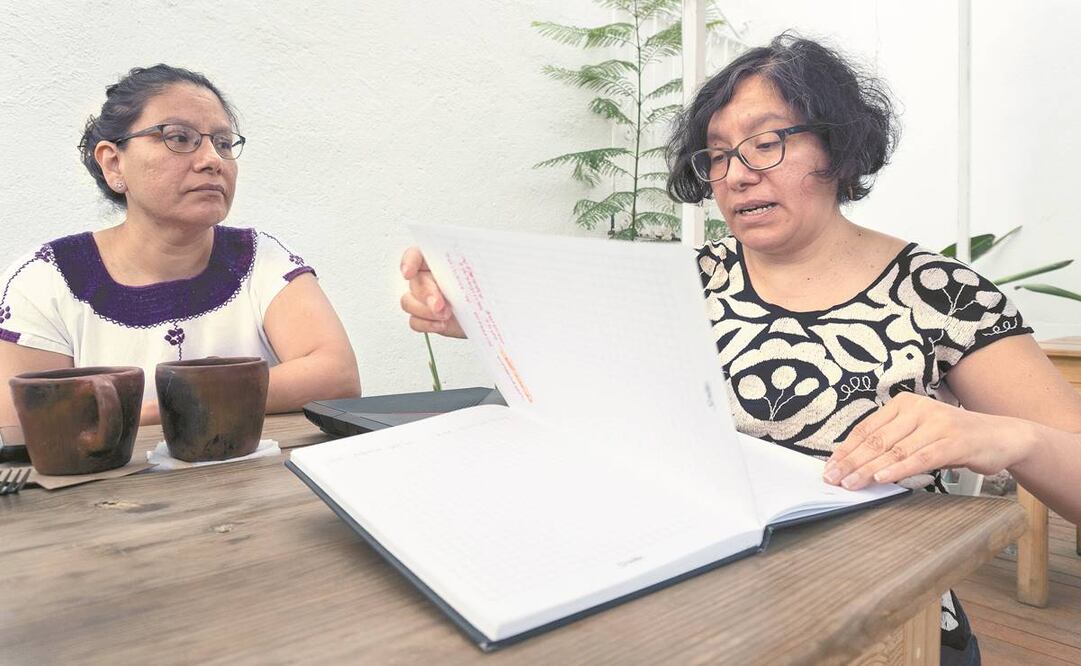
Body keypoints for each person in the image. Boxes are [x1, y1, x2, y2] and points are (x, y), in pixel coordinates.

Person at [401, 34, 1081, 665]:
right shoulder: (683, 282)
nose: (735, 174)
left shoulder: (940, 293)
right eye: (717, 155)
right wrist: (465, 304)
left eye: (764, 144)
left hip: (879, 625)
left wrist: (1007, 436)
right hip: (695, 610)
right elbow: (566, 355)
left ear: (836, 149)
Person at [0, 65, 360, 430]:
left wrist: (159, 411)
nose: (212, 161)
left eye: (222, 143)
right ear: (113, 162)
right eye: (179, 138)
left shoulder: (259, 259)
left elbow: (337, 376)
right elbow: (27, 434)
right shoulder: (48, 282)